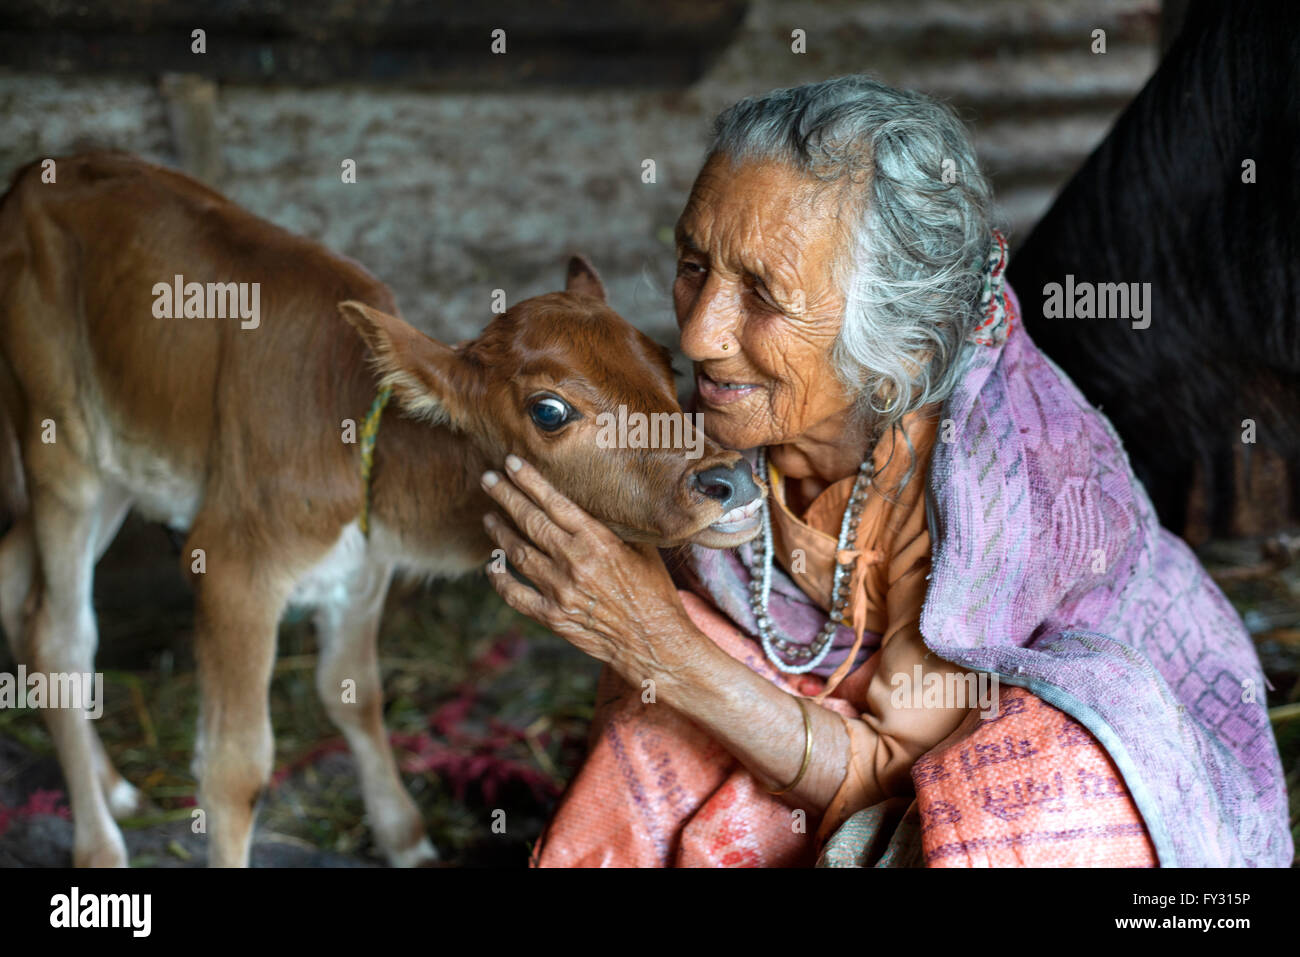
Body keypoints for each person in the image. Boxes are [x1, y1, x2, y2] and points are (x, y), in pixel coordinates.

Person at [478, 75, 1292, 867]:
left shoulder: (1009, 494)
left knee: (1055, 780)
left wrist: (659, 648)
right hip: (843, 718)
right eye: (694, 264)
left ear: (896, 342)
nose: (698, 335)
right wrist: (649, 637)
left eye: (763, 294)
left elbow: (897, 774)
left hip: (1024, 762)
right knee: (662, 666)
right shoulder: (736, 418)